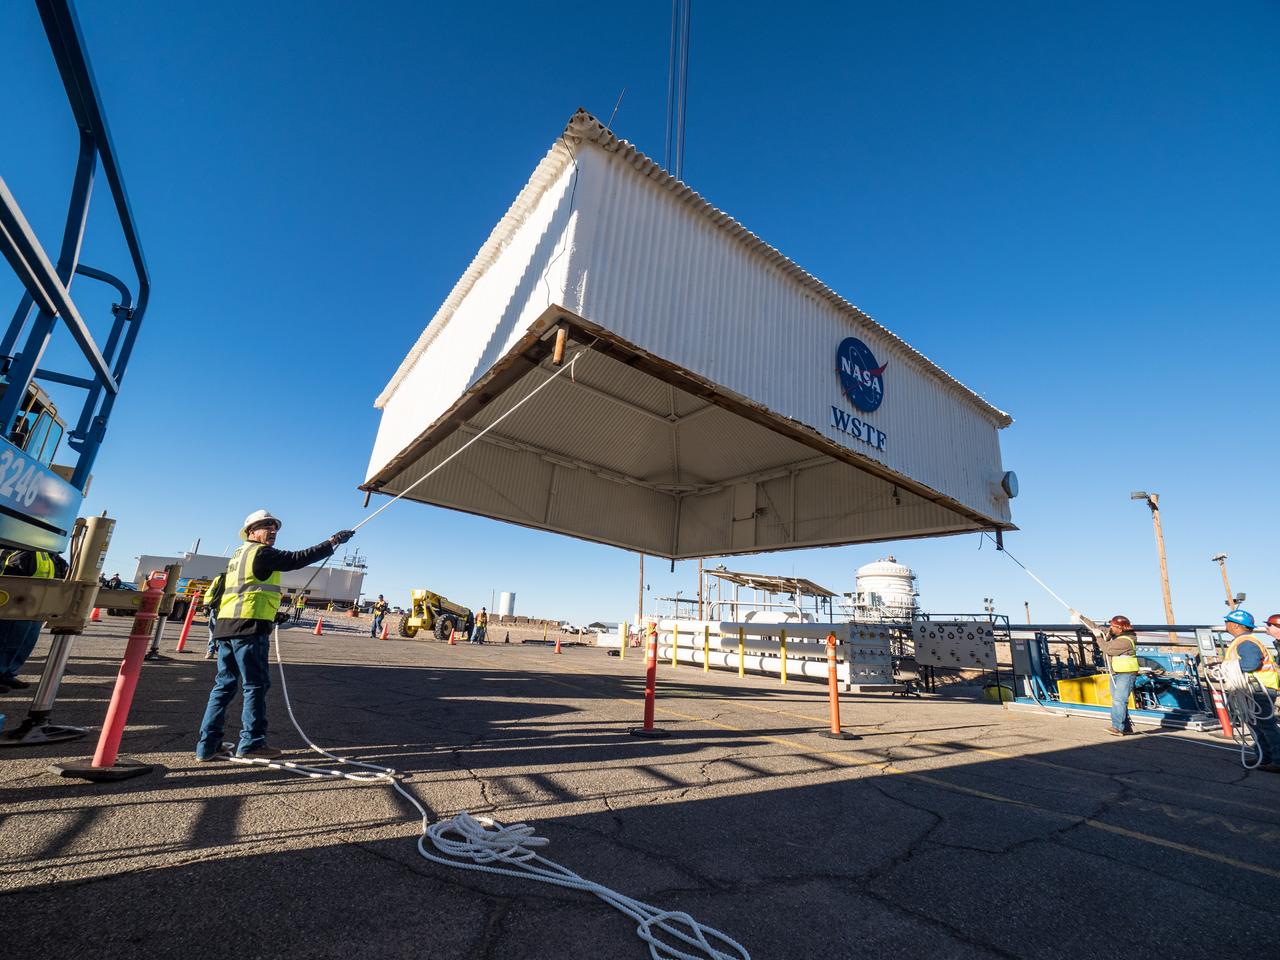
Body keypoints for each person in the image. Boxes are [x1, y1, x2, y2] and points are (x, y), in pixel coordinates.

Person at [195, 510, 353, 761]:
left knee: (223, 687)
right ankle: (252, 743)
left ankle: (207, 746)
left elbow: (246, 592)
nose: (272, 531)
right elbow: (298, 558)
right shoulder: (261, 553)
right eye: (266, 526)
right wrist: (332, 541)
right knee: (255, 685)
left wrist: (272, 616)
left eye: (275, 528)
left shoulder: (238, 556)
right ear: (251, 532)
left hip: (226, 628)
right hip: (248, 630)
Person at [0, 547, 68, 691]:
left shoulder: (55, 558)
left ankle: (8, 673)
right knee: (8, 641)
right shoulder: (27, 553)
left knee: (25, 643)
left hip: (38, 609)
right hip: (19, 609)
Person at [1221, 610, 1280, 772]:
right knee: (1256, 725)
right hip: (1254, 689)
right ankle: (1264, 757)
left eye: (1227, 622)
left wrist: (1226, 668)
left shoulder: (1246, 642)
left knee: (1266, 726)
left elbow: (1250, 664)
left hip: (1259, 690)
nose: (1226, 625)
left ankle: (1278, 760)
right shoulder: (1244, 641)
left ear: (1235, 625)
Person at [1098, 614, 1140, 736]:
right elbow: (1099, 629)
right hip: (1116, 673)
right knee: (1118, 700)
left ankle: (1117, 727)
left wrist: (1097, 637)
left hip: (1125, 674)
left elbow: (1108, 649)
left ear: (1120, 628)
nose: (1110, 628)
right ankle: (1126, 727)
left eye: (1113, 626)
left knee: (1119, 700)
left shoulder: (1125, 640)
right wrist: (1081, 617)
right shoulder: (1118, 635)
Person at [201, 573, 225, 660]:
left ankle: (211, 651)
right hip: (226, 609)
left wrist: (206, 606)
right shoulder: (238, 578)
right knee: (223, 631)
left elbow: (210, 592)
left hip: (217, 608)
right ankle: (220, 651)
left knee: (213, 630)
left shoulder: (219, 578)